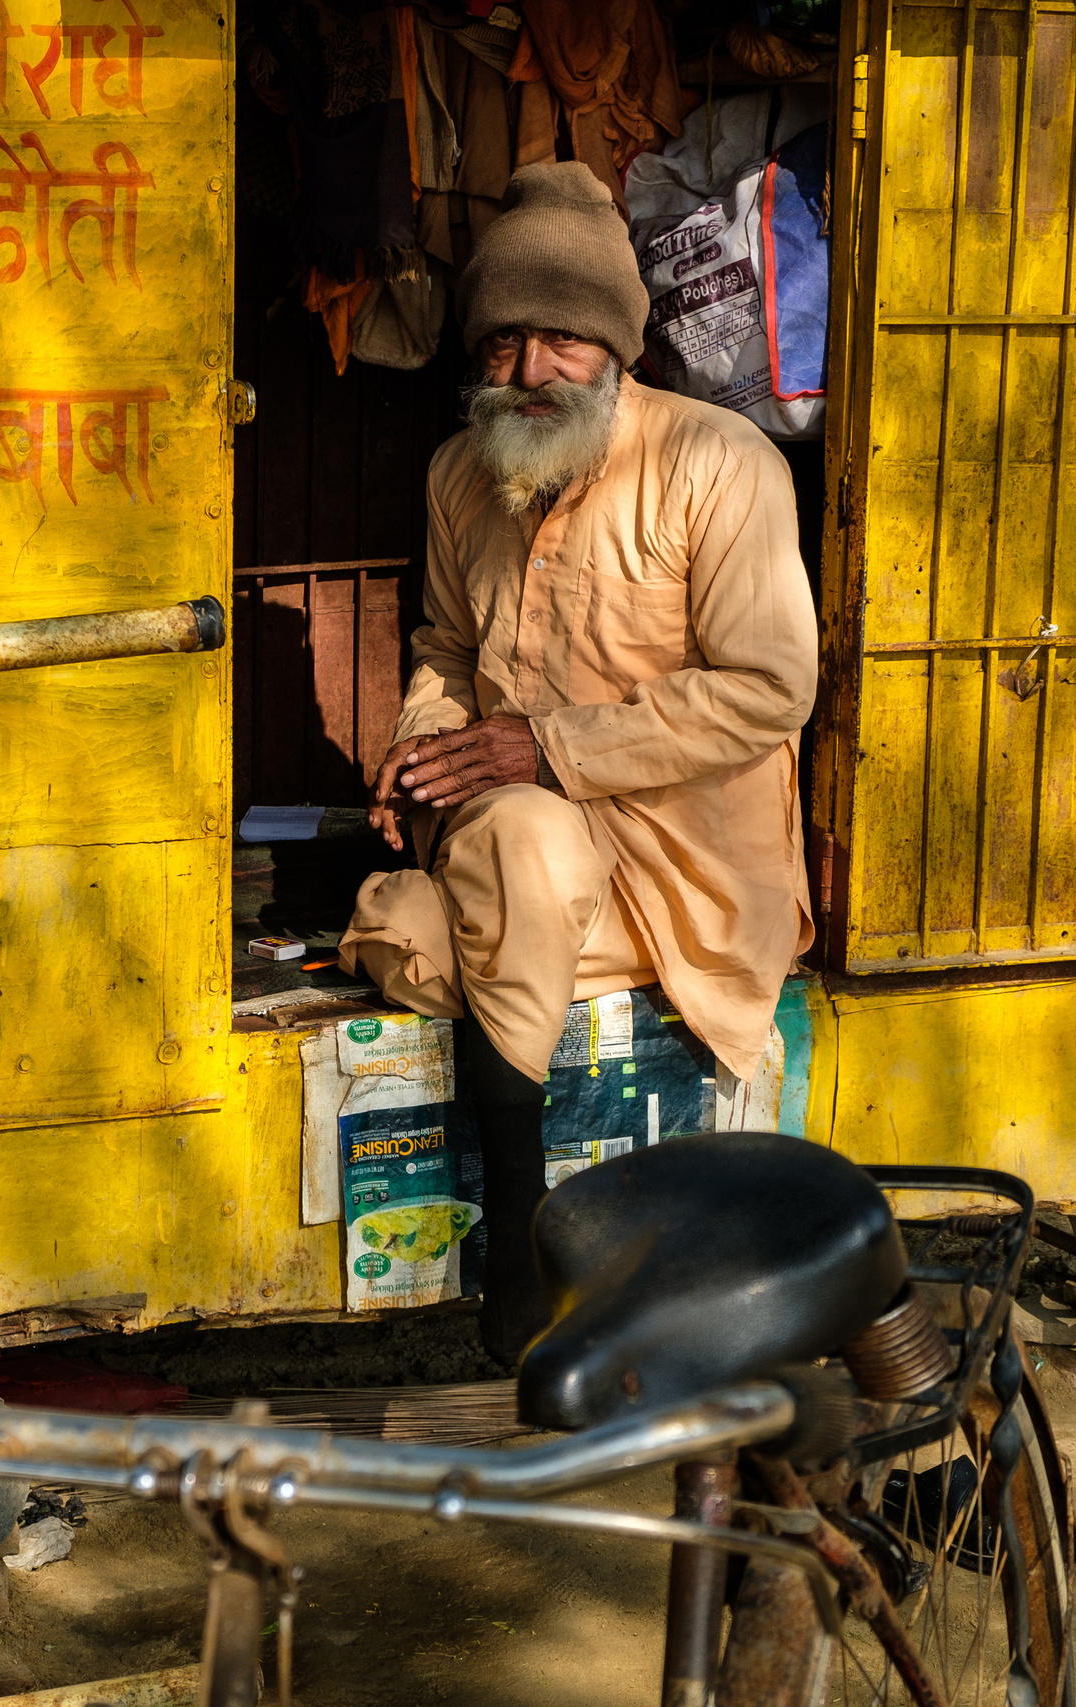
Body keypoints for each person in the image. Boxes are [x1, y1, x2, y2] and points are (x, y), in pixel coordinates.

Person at [336, 160, 818, 1365]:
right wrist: (417, 753)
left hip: (684, 875)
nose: (531, 370)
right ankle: (518, 1227)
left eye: (562, 339)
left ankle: (508, 1225)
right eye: (505, 342)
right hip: (529, 857)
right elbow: (446, 648)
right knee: (511, 836)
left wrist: (542, 747)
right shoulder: (461, 474)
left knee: (467, 885)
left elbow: (771, 688)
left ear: (619, 350)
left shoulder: (719, 463)